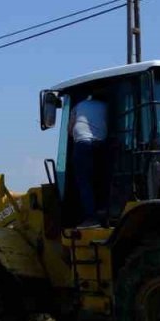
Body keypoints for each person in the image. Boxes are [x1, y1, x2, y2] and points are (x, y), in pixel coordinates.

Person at [70, 94, 107, 227]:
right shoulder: (105, 106)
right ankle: (104, 211)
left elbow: (70, 129)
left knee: (84, 182)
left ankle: (91, 218)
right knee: (101, 179)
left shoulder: (78, 106)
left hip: (83, 144)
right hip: (101, 145)